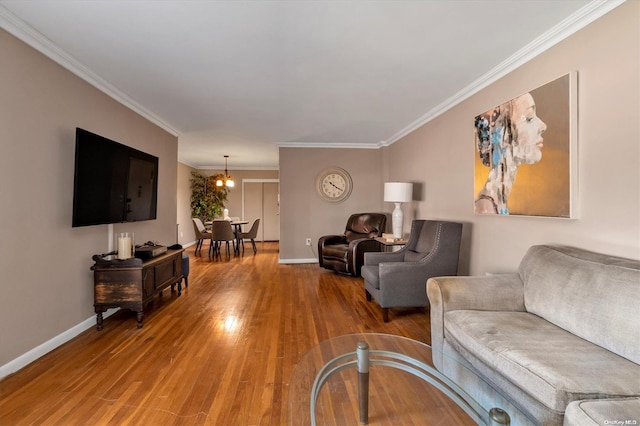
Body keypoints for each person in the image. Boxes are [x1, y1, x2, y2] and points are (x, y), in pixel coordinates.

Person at [474, 93, 547, 214]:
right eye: (529, 118)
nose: (543, 126)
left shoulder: (497, 203)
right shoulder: (485, 209)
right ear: (503, 135)